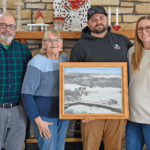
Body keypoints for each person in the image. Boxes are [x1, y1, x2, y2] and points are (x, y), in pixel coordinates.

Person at [70, 6, 133, 150]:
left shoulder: (123, 41)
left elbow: (134, 69)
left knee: (114, 147)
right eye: (94, 20)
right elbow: (73, 81)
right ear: (88, 23)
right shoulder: (79, 47)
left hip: (118, 106)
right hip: (91, 109)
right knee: (90, 147)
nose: (98, 22)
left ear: (107, 20)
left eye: (101, 18)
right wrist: (81, 109)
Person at [21, 28, 69, 150]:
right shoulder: (36, 62)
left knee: (60, 148)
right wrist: (38, 121)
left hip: (63, 115)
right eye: (50, 40)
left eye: (57, 40)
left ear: (62, 43)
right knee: (49, 148)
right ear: (43, 44)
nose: (54, 43)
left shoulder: (64, 58)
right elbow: (26, 94)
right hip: (44, 117)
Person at [0, 13, 32, 150]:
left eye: (11, 26)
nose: (8, 29)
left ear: (15, 29)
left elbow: (30, 81)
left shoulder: (24, 51)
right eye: (3, 25)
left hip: (18, 111)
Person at [126, 16, 150, 150]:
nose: (144, 31)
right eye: (140, 29)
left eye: (148, 28)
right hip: (132, 118)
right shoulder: (132, 52)